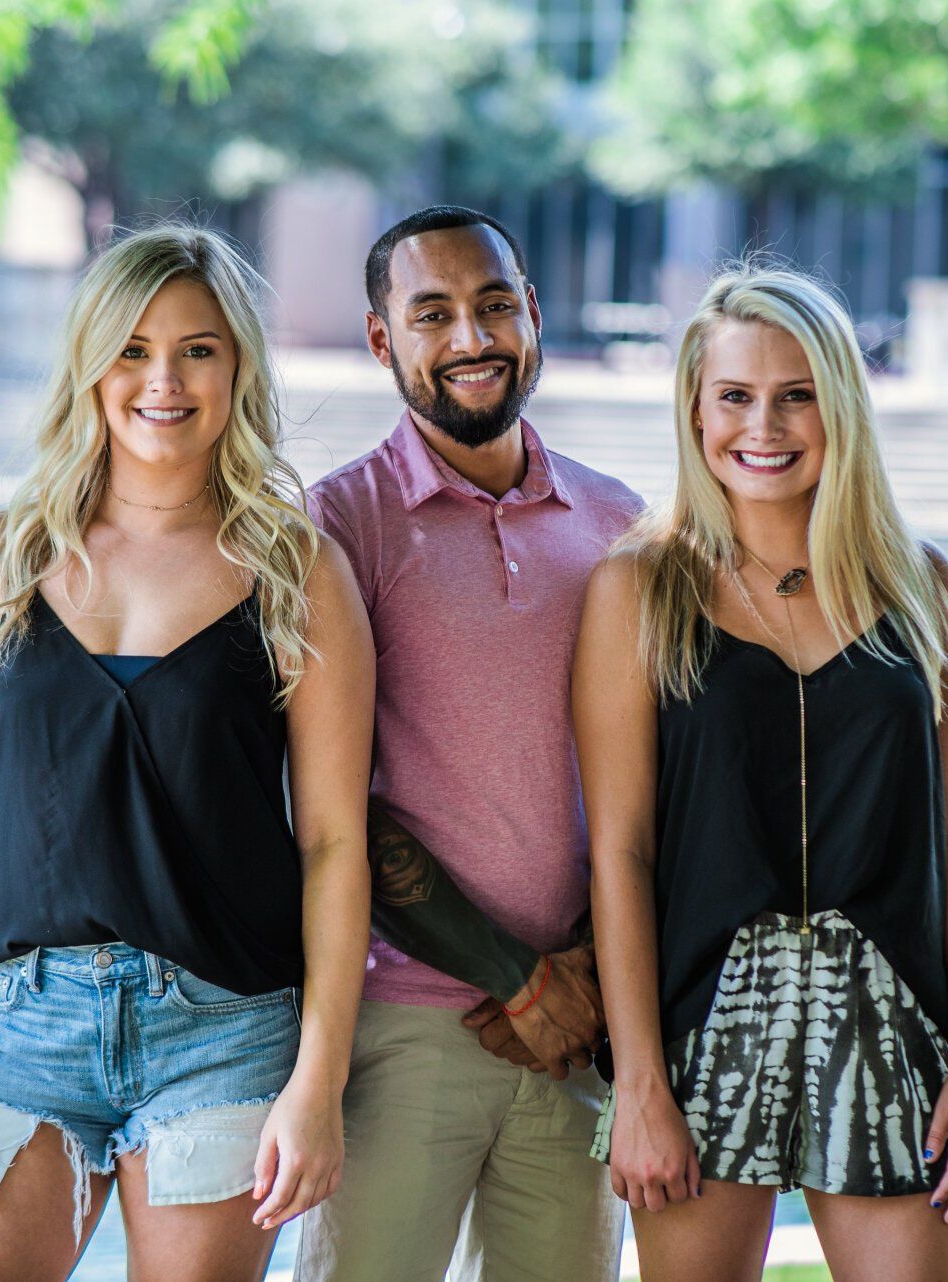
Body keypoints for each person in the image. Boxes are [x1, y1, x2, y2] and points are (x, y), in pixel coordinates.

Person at [0, 224, 374, 1282]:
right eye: (133, 349)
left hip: (225, 1031)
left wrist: (317, 1082)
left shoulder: (298, 572)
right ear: (91, 363)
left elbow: (336, 843)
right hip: (18, 1030)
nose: (164, 379)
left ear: (238, 365)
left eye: (198, 349)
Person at [576, 261, 948, 1281]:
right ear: (695, 407)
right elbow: (621, 851)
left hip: (892, 1015)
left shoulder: (917, 582)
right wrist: (639, 1078)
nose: (762, 426)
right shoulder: (638, 587)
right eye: (735, 396)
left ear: (841, 404)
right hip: (702, 1023)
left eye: (796, 394)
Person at [292, 206, 643, 1282]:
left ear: (533, 315)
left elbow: (654, 781)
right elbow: (326, 806)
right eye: (431, 312)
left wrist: (580, 981)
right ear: (381, 339)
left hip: (585, 1026)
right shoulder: (337, 526)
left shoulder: (620, 521)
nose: (471, 336)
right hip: (400, 1029)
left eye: (494, 304)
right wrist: (514, 976)